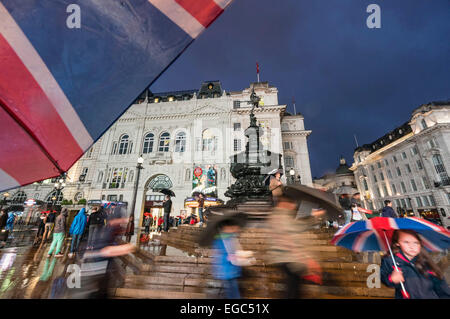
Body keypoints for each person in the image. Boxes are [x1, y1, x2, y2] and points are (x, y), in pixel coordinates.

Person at [266, 188, 324, 299]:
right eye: (292, 203)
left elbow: (295, 227)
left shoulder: (277, 215)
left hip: (284, 257)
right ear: (284, 203)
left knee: (293, 288)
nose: (294, 206)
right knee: (293, 289)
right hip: (289, 257)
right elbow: (292, 235)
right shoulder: (282, 216)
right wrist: (306, 258)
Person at [380, 229, 450, 299]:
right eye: (406, 242)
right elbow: (384, 277)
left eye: (416, 243)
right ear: (397, 243)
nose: (412, 246)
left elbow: (442, 289)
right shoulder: (391, 261)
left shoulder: (427, 263)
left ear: (420, 244)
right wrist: (391, 279)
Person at [212, 219, 245, 299]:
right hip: (227, 270)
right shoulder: (223, 239)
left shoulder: (229, 238)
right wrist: (233, 256)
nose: (235, 229)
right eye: (232, 227)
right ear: (226, 228)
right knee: (233, 291)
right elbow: (224, 255)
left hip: (230, 270)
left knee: (231, 290)